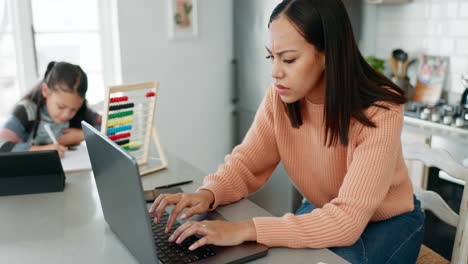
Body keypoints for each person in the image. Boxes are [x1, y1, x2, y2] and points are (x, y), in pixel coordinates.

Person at [149, 0, 425, 263]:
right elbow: (245, 165)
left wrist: (244, 229)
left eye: (289, 59)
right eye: (271, 57)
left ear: (328, 54)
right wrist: (207, 194)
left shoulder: (381, 108)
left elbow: (347, 222)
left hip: (387, 223)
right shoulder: (279, 98)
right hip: (325, 210)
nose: (275, 72)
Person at [0, 61, 101, 157]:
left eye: (74, 109)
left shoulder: (81, 110)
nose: (66, 114)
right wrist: (42, 151)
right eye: (61, 107)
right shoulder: (26, 111)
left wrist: (82, 135)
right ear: (45, 91)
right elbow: (2, 146)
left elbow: (109, 128)